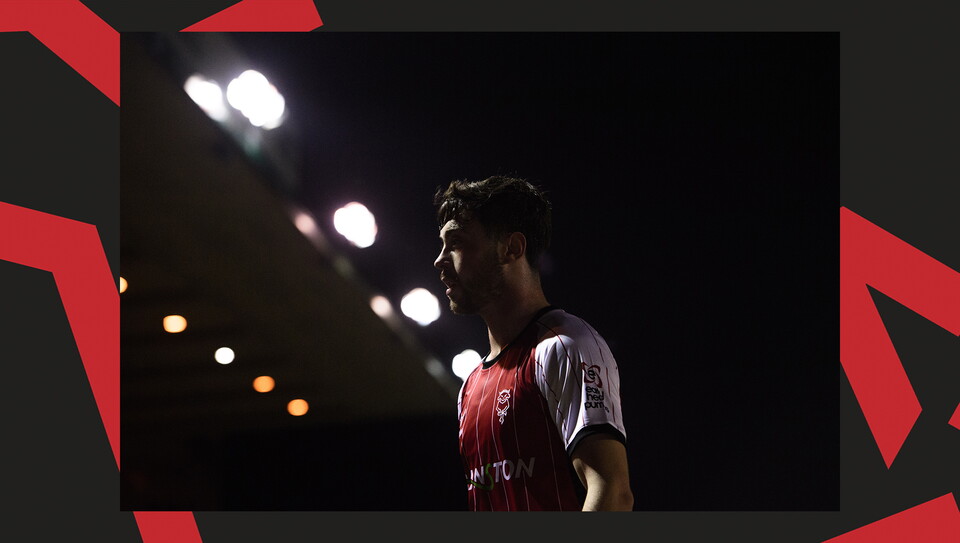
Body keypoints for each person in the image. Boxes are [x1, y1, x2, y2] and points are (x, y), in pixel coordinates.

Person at [433, 176, 633, 511]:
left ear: (512, 248)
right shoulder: (470, 386)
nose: (440, 260)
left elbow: (612, 492)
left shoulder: (565, 345)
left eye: (456, 243)